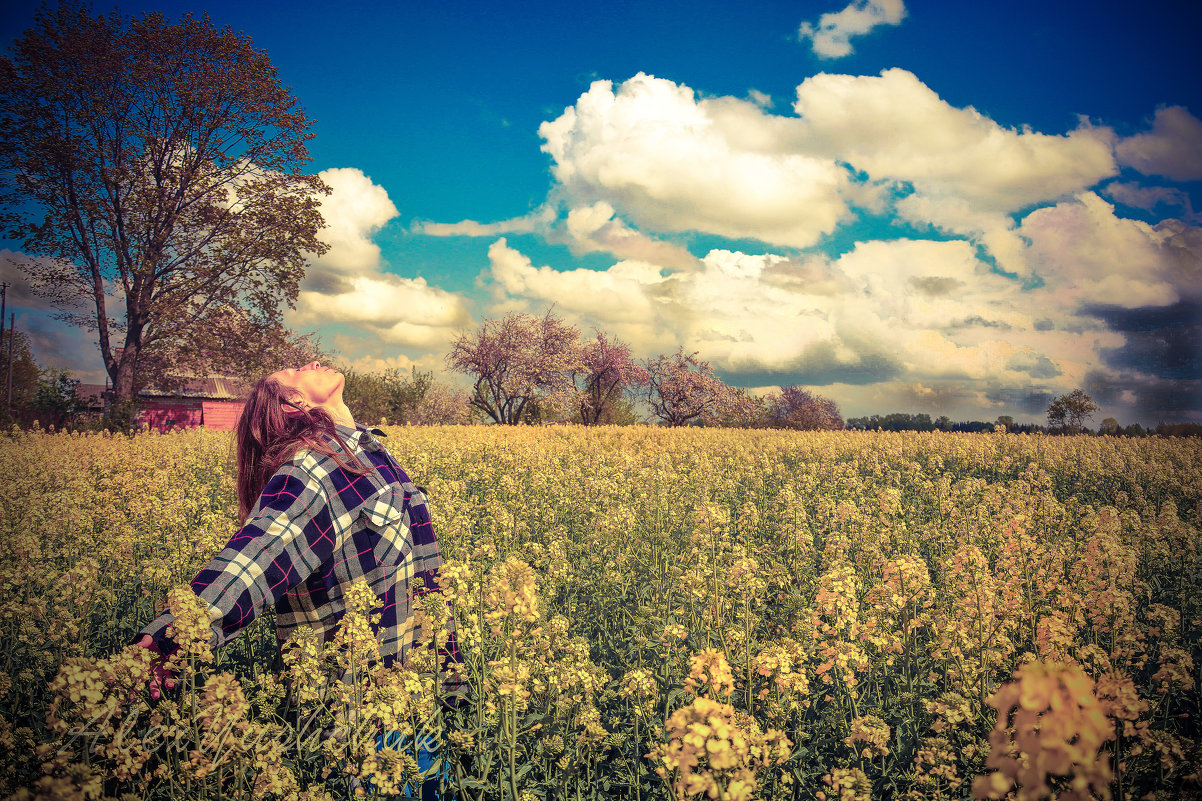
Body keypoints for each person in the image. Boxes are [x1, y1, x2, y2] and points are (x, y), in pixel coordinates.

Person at [134, 361, 461, 798]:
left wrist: (450, 674)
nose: (307, 361)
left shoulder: (366, 450)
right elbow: (258, 554)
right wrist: (170, 636)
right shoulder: (314, 468)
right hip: (365, 713)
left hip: (417, 689)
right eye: (291, 371)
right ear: (294, 403)